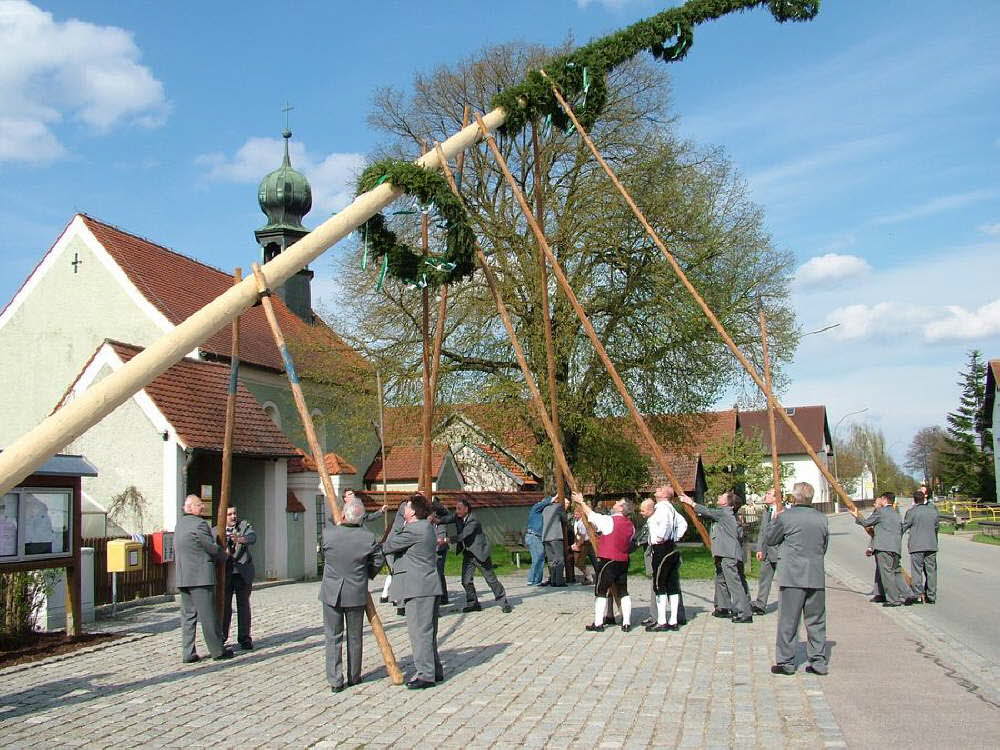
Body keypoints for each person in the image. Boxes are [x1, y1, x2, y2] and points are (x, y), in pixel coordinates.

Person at [319, 497, 383, 692]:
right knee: (355, 637)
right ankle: (354, 676)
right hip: (356, 591)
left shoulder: (328, 534)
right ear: (361, 517)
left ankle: (335, 680)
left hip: (331, 591)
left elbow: (324, 556)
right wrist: (367, 574)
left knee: (333, 636)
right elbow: (378, 560)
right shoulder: (368, 537)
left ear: (344, 514)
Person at [765, 481, 830, 676]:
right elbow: (824, 545)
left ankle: (786, 661)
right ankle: (818, 660)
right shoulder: (822, 518)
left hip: (792, 575)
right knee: (816, 620)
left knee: (788, 620)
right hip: (816, 574)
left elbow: (771, 539)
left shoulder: (786, 518)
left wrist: (775, 519)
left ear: (794, 497)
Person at [382, 495, 444, 689]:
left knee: (419, 632)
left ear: (413, 512)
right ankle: (434, 670)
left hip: (418, 588)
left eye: (406, 507)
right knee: (427, 632)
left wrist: (399, 520)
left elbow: (389, 544)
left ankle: (426, 675)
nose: (403, 509)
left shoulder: (415, 529)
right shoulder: (423, 527)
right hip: (425, 585)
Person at [175, 494, 232, 663]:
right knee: (208, 616)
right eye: (199, 505)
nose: (202, 507)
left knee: (188, 616)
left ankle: (188, 652)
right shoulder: (199, 524)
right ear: (190, 507)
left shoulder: (180, 524)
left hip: (184, 576)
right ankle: (217, 650)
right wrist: (224, 556)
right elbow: (210, 547)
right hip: (200, 577)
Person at [682, 491, 753, 623]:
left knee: (733, 583)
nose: (719, 496)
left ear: (728, 503)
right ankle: (723, 607)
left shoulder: (724, 512)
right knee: (721, 580)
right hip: (722, 553)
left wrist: (690, 502)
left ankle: (744, 612)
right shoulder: (724, 514)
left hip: (728, 554)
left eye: (722, 496)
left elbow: (707, 511)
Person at [573, 492, 636, 633]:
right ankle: (626, 622)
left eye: (617, 502)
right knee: (623, 591)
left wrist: (581, 502)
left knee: (600, 590)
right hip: (623, 561)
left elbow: (592, 516)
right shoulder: (631, 526)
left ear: (621, 508)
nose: (614, 504)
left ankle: (598, 623)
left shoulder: (610, 521)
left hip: (608, 560)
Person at [454, 498, 512, 613]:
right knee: (466, 581)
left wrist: (446, 539)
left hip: (480, 554)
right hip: (468, 554)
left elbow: (464, 535)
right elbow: (446, 518)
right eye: (456, 509)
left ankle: (503, 602)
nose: (457, 511)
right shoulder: (459, 518)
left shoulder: (473, 520)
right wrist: (436, 519)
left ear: (466, 509)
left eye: (459, 509)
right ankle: (473, 603)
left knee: (491, 580)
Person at [641, 488, 687, 631]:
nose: (657, 489)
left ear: (666, 495)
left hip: (660, 548)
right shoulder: (672, 508)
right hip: (670, 547)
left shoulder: (661, 507)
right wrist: (675, 537)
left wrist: (660, 538)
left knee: (660, 584)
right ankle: (673, 620)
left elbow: (666, 524)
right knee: (672, 584)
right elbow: (683, 524)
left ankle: (662, 621)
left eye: (661, 489)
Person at [214, 505, 256, 650]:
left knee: (243, 605)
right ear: (222, 516)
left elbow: (252, 537)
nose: (233, 516)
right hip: (225, 574)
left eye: (234, 513)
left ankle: (245, 638)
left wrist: (240, 539)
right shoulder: (216, 530)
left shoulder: (244, 526)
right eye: (229, 514)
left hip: (242, 573)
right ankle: (222, 637)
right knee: (224, 607)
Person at [855, 492, 907, 607]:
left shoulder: (880, 512)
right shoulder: (896, 513)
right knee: (895, 572)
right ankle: (908, 594)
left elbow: (866, 522)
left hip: (884, 548)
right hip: (896, 547)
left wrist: (856, 515)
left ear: (884, 499)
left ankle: (894, 600)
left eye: (881, 499)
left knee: (887, 575)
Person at [902, 489, 939, 603]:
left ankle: (918, 594)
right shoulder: (933, 511)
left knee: (917, 571)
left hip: (916, 545)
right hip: (931, 545)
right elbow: (936, 527)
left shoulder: (911, 512)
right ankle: (931, 595)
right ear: (924, 499)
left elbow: (904, 527)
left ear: (914, 500)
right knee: (931, 571)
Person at [752, 489, 781, 615]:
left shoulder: (784, 512)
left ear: (776, 497)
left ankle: (789, 605)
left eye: (769, 494)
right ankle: (760, 604)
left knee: (785, 581)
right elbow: (762, 532)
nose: (765, 495)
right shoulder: (766, 512)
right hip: (767, 553)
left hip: (780, 553)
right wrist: (759, 548)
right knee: (764, 579)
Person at [380, 500, 408, 605]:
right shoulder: (403, 509)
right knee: (396, 572)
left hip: (391, 547)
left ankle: (385, 595)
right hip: (392, 547)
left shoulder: (398, 520)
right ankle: (396, 598)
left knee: (393, 571)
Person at [430, 498, 456, 605]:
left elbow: (442, 535)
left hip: (440, 550)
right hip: (433, 550)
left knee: (439, 573)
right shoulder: (431, 521)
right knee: (437, 573)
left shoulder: (442, 521)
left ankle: (443, 597)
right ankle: (442, 596)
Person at [540, 496, 567, 587]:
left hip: (545, 537)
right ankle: (559, 581)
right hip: (556, 536)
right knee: (559, 559)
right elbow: (564, 519)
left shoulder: (544, 509)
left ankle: (553, 580)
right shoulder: (558, 507)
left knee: (551, 560)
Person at [524, 496, 548, 585]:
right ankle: (533, 580)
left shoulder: (539, 513)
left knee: (539, 558)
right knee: (537, 558)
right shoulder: (536, 507)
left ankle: (536, 580)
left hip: (535, 537)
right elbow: (545, 502)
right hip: (534, 536)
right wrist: (554, 498)